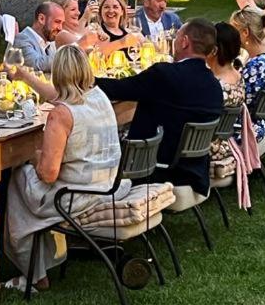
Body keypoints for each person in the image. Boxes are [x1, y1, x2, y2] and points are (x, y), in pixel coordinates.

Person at [4, 46, 124, 291]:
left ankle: (34, 273)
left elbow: (48, 174)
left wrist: (33, 157)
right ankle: (43, 259)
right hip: (107, 184)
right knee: (26, 178)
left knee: (19, 177)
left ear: (57, 73)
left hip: (75, 197)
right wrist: (24, 75)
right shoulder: (99, 96)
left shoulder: (61, 115)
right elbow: (59, 95)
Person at [96, 19, 224, 196]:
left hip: (154, 168)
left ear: (184, 42)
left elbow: (117, 89)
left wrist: (82, 78)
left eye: (177, 37)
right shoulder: (214, 86)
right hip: (195, 170)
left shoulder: (164, 74)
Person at [230, 6, 265, 142]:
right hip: (260, 127)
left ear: (245, 32)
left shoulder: (256, 66)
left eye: (233, 31)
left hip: (243, 130)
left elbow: (236, 102)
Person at [205, 22, 246, 164]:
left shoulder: (215, 86)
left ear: (214, 50)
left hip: (205, 146)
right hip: (225, 142)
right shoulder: (238, 77)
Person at [13, 1, 65, 72]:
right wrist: (68, 57)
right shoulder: (21, 39)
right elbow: (36, 64)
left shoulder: (51, 43)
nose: (60, 28)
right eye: (57, 22)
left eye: (62, 23)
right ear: (41, 19)